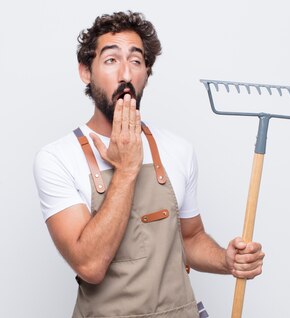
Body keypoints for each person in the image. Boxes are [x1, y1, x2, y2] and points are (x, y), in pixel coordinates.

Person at [33, 11, 265, 318]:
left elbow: (190, 237)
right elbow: (89, 265)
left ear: (147, 73)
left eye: (136, 61)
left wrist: (226, 259)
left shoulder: (178, 149)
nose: (125, 74)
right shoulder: (56, 159)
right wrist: (127, 169)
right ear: (85, 72)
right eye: (111, 60)